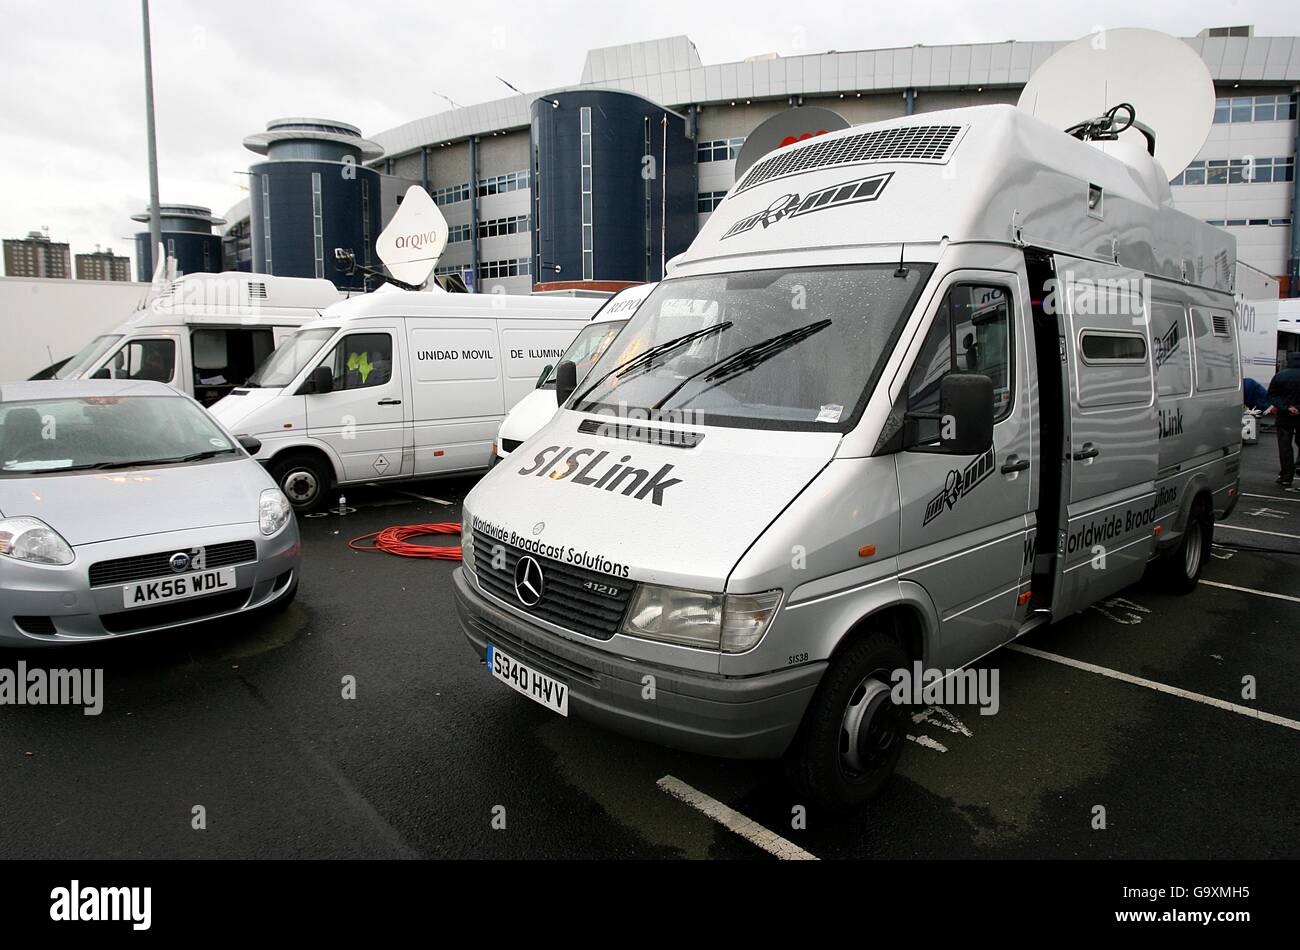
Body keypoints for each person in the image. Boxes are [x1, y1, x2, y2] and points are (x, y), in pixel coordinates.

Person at [1265, 352, 1300, 487]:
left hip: (1284, 417)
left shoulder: (1280, 376)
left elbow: (1271, 396)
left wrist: (1286, 407)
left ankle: (1286, 476)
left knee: (1285, 446)